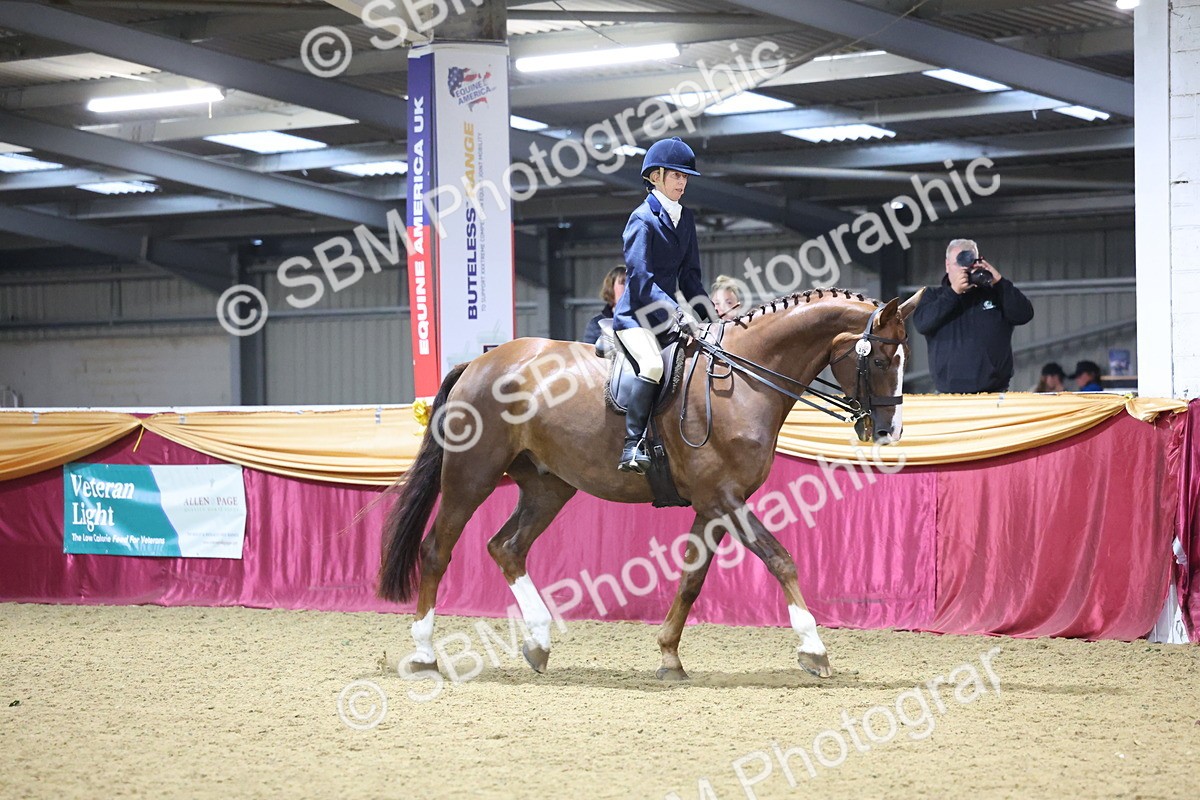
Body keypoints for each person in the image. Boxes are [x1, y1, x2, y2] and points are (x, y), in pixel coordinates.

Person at [612, 136, 711, 474]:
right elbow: (641, 280)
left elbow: (691, 279)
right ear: (655, 177)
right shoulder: (642, 219)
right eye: (675, 176)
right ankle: (632, 444)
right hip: (635, 318)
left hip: (666, 320)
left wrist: (712, 319)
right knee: (653, 367)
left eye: (685, 178)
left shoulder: (685, 219)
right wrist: (678, 312)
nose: (682, 183)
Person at [912, 238, 1034, 393]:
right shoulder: (933, 296)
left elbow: (1024, 314)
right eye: (959, 263)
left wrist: (999, 282)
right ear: (947, 265)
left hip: (994, 394)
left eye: (970, 263)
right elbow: (922, 323)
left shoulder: (996, 294)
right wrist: (953, 293)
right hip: (948, 396)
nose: (965, 270)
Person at [581, 265, 626, 344]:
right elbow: (589, 353)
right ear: (611, 288)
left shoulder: (644, 320)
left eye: (631, 283)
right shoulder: (597, 324)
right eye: (623, 282)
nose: (628, 287)